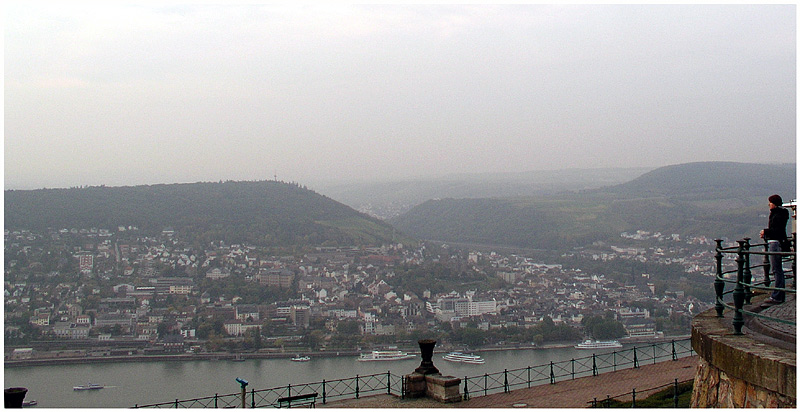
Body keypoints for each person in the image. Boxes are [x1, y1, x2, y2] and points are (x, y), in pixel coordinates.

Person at [759, 194, 790, 307]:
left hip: (775, 243)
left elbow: (776, 230)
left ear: (774, 203)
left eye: (770, 202)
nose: (769, 204)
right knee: (778, 270)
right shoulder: (782, 213)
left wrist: (765, 232)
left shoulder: (777, 214)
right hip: (778, 242)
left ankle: (777, 296)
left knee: (776, 269)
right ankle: (779, 295)